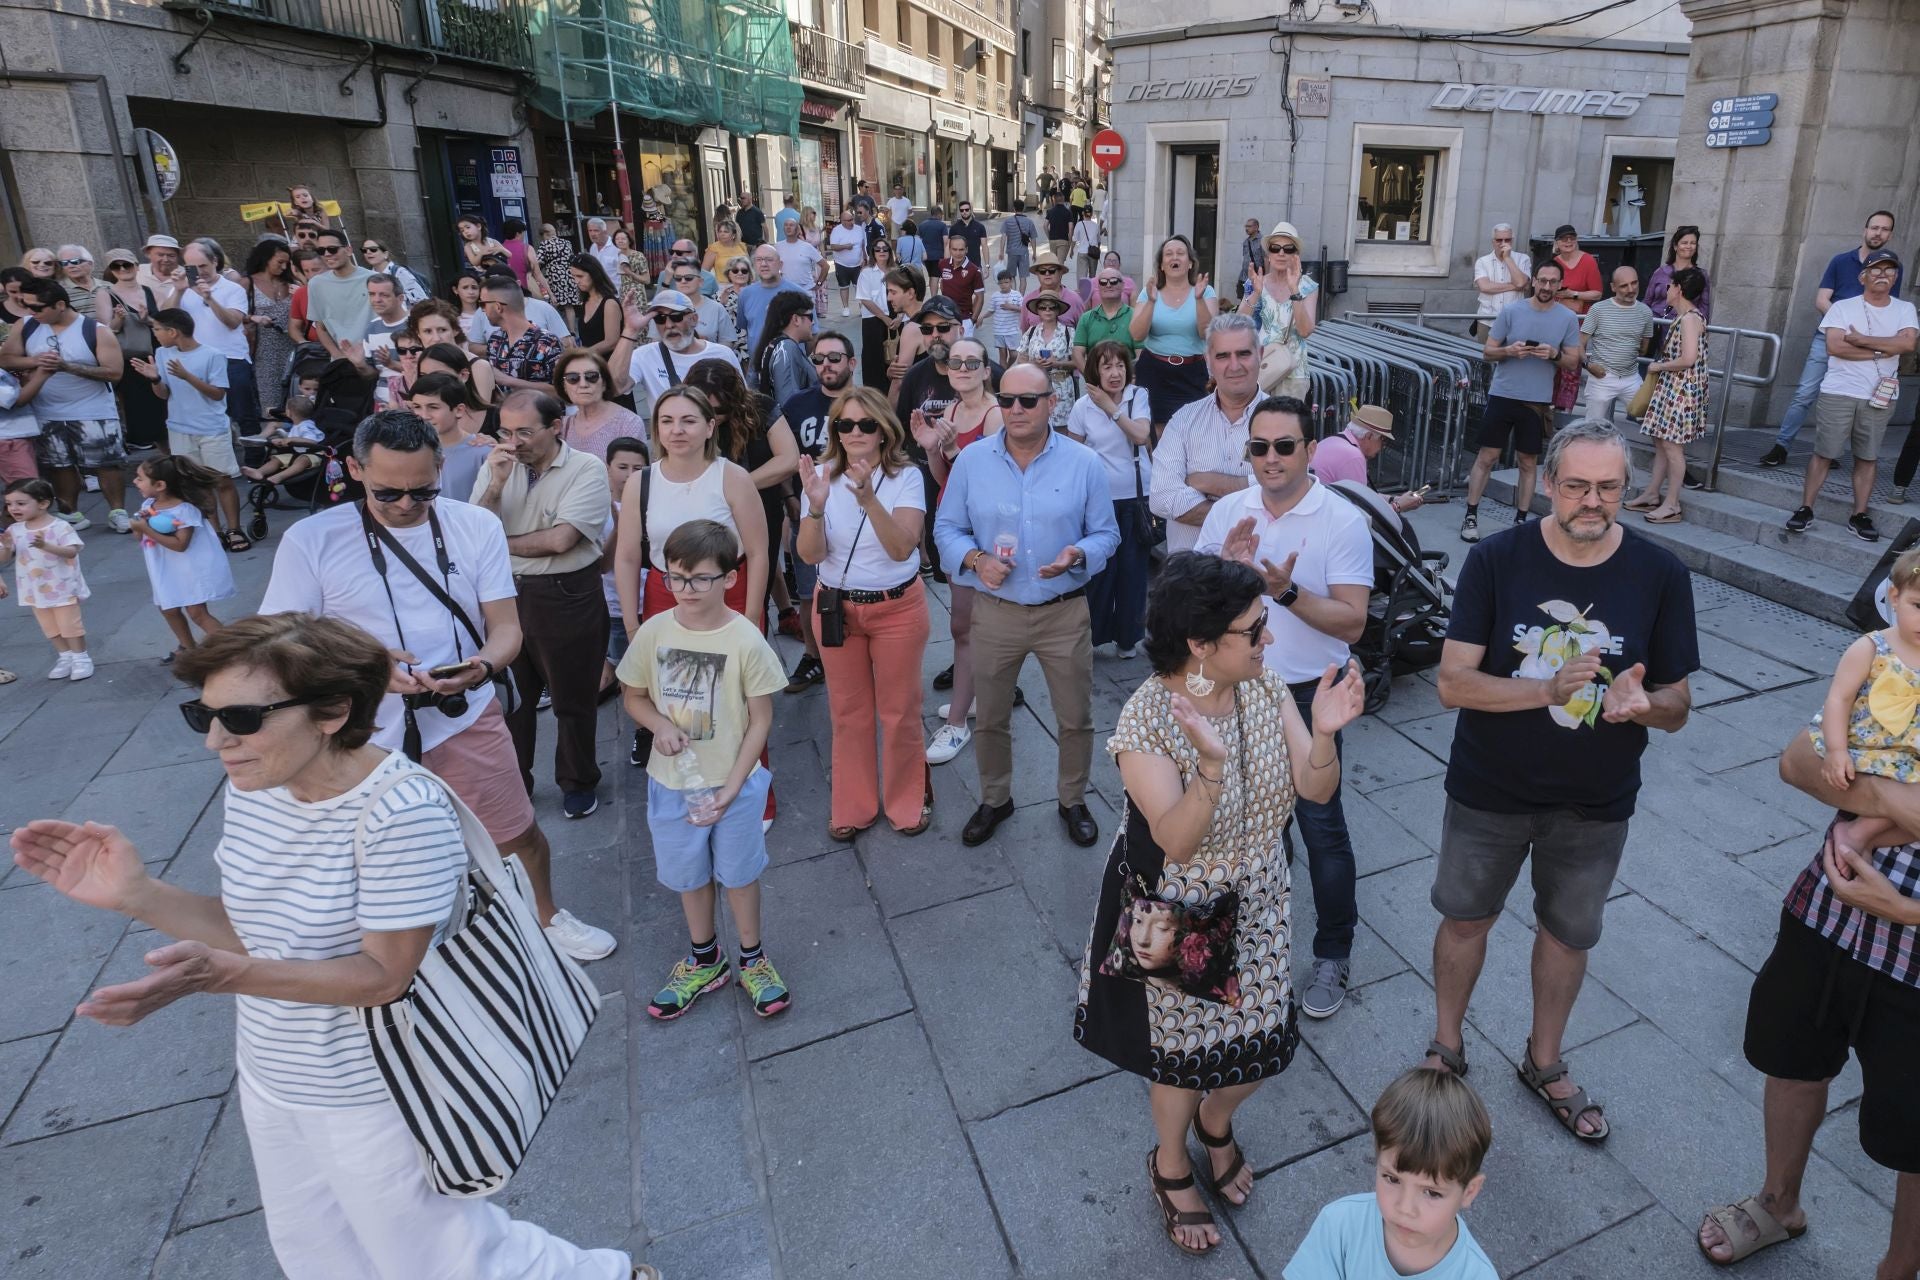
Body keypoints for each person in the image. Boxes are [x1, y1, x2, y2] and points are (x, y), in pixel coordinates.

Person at [7, 612, 639, 1276]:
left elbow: (381, 977)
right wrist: (138, 894)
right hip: (274, 1071)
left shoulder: (400, 813)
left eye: (242, 719)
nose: (216, 741)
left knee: (448, 1263)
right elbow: (254, 934)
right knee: (318, 1257)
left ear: (333, 712)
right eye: (205, 716)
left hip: (376, 1087)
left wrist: (221, 977)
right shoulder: (258, 785)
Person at [1073, 551, 1361, 1256]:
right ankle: (1171, 1164)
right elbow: (1174, 836)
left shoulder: (1261, 688)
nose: (1270, 641)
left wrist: (1323, 733)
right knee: (1181, 1057)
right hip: (1179, 904)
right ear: (1201, 644)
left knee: (1263, 1049)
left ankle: (1216, 1123)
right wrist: (1208, 765)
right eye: (1255, 630)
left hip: (1260, 890)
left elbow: (1315, 790)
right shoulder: (1146, 721)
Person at [1425, 420, 1696, 1140]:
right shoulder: (1495, 559)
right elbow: (1454, 684)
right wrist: (1546, 692)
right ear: (1548, 483)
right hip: (1490, 787)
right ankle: (1446, 1047)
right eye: (1576, 485)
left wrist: (1648, 706)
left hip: (1596, 802)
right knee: (1464, 919)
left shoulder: (1661, 574)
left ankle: (1544, 1062)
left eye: (1609, 487)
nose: (1591, 500)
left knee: (1569, 936)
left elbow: (1678, 704)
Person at [1726, 569, 1920, 1275]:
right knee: (1793, 1056)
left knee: (1915, 1131)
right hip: (1828, 912)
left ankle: (1901, 1267)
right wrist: (1908, 802)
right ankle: (1780, 1202)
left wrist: (1907, 909)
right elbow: (1799, 762)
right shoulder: (1893, 661)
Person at [1196, 394, 1374, 1019]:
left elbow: (1352, 624)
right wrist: (1228, 574)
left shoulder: (1341, 521)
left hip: (1308, 692)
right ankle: (1254, 936)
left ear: (1309, 448)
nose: (1270, 459)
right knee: (1250, 827)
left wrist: (1286, 591)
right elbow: (1195, 610)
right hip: (1238, 688)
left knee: (1321, 825)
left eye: (1284, 446)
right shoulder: (1228, 512)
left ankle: (1333, 952)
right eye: (1259, 447)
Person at [933, 362, 1120, 848]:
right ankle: (995, 798)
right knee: (991, 715)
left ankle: (1072, 798)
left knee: (1075, 716)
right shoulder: (972, 461)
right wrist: (975, 560)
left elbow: (1107, 533)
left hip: (1064, 611)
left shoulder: (1083, 463)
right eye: (1007, 399)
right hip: (996, 612)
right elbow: (946, 528)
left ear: (1051, 403)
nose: (1015, 409)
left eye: (1028, 400)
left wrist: (1079, 554)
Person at [620, 519, 789, 1020]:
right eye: (675, 577)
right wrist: (657, 725)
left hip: (733, 784)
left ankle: (753, 958)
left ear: (729, 579)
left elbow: (761, 721)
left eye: (699, 578)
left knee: (739, 875)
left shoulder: (745, 639)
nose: (685, 589)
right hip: (672, 784)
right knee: (689, 876)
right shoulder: (654, 632)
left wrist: (734, 788)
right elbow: (634, 697)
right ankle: (705, 958)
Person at [471, 391, 614, 820]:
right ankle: (517, 782)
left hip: (566, 593)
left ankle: (578, 780)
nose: (513, 442)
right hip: (504, 594)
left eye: (525, 432)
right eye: (506, 431)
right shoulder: (496, 464)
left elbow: (561, 540)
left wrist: (500, 544)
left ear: (555, 427)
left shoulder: (586, 468)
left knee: (573, 696)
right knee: (512, 699)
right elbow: (477, 529)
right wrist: (495, 486)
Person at [795, 387, 931, 838]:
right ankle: (853, 805)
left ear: (882, 430)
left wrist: (869, 498)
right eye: (844, 424)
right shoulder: (818, 476)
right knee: (848, 713)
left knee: (900, 711)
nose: (854, 432)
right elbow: (811, 555)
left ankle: (906, 801)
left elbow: (901, 547)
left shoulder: (905, 477)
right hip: (838, 609)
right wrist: (814, 508)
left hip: (896, 609)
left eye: (865, 424)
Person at [614, 386, 770, 766]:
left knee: (738, 698)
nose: (676, 430)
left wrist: (750, 620)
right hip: (666, 595)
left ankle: (751, 793)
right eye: (666, 421)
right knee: (678, 699)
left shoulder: (731, 477)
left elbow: (759, 550)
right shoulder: (642, 482)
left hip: (728, 595)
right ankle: (690, 783)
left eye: (688, 420)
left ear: (710, 426)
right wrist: (633, 624)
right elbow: (628, 555)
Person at [1285, 1070, 1496, 1279]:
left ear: (1469, 1192)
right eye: (1392, 1179)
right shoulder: (1340, 1225)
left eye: (1432, 1192)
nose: (1405, 1208)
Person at [1785, 249, 1917, 543]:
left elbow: (1908, 345)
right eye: (1876, 269)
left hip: (1880, 396)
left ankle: (1859, 515)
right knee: (1823, 453)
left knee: (1867, 457)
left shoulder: (1905, 309)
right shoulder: (1842, 307)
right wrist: (1886, 347)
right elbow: (1836, 347)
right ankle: (1805, 508)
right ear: (1863, 276)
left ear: (1895, 276)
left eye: (1889, 270)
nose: (1883, 275)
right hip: (1839, 391)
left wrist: (1862, 340)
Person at [912, 335, 1001, 763]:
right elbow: (942, 475)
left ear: (987, 370)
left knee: (966, 627)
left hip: (980, 537)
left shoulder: (995, 415)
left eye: (972, 361)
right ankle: (976, 699)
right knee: (970, 627)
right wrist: (934, 449)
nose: (962, 367)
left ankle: (958, 724)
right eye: (955, 361)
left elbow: (987, 482)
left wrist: (947, 447)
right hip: (955, 527)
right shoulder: (949, 411)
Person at [1762, 211, 1900, 468]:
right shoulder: (1841, 261)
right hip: (1827, 339)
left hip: (1864, 346)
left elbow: (1891, 307)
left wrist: (1867, 339)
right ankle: (1781, 446)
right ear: (1865, 229)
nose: (1878, 233)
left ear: (1890, 235)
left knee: (1848, 398)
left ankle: (1830, 453)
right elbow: (1821, 300)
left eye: (1884, 229)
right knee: (1805, 393)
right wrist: (1847, 328)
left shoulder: (1893, 268)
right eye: (1874, 227)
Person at [1459, 259, 1581, 543]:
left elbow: (1573, 362)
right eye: (1542, 280)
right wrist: (1509, 351)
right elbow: (1488, 352)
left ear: (1560, 285)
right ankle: (1471, 514)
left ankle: (1521, 521)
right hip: (1503, 394)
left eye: (1553, 282)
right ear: (1534, 281)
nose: (1547, 286)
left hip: (1537, 401)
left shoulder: (1566, 318)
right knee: (1486, 457)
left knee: (1528, 462)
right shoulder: (1512, 311)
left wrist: (1554, 355)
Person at [2, 276, 131, 532]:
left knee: (106, 463)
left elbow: (114, 372)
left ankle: (118, 511)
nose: (31, 312)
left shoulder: (95, 330)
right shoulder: (25, 325)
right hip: (46, 410)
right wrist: (37, 362)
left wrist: (67, 367)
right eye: (27, 306)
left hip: (93, 408)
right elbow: (6, 359)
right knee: (58, 464)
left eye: (37, 307)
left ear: (60, 305)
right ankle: (70, 513)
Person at [774, 330, 854, 691]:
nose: (826, 365)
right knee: (809, 591)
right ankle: (812, 655)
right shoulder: (796, 405)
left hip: (857, 511)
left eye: (834, 358)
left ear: (852, 363)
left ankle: (856, 652)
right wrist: (790, 501)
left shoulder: (868, 403)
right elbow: (784, 460)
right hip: (809, 511)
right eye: (819, 359)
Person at [1064, 340, 1152, 657]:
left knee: (1132, 573)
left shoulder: (1136, 397)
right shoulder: (1081, 406)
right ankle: (1094, 636)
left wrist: (1111, 408)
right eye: (1106, 366)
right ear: (1094, 372)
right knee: (1099, 573)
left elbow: (1141, 435)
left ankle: (1128, 638)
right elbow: (1072, 456)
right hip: (1098, 503)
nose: (1115, 373)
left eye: (1119, 365)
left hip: (1134, 499)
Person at [130, 308, 246, 547]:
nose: (155, 334)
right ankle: (215, 532)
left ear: (173, 332)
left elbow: (217, 394)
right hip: (180, 428)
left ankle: (235, 529)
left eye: (158, 329)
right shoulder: (162, 353)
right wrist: (154, 378)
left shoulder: (212, 355)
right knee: (196, 484)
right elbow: (163, 394)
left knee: (221, 480)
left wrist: (187, 376)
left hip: (211, 427)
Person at [1149, 313, 1261, 553]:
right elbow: (1161, 497)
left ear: (1259, 354)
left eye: (1243, 353)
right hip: (1191, 581)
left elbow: (1290, 492)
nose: (1234, 365)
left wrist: (1208, 482)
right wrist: (1252, 499)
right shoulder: (1183, 421)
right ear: (1208, 361)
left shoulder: (1285, 421)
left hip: (1258, 581)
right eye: (1222, 356)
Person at [127, 453, 234, 656]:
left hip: (190, 569)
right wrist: (139, 528)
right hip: (165, 568)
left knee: (197, 613)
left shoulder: (184, 510)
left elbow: (180, 545)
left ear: (160, 485)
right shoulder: (148, 506)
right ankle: (188, 647)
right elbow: (140, 540)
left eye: (140, 478)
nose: (134, 481)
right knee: (168, 608)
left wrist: (147, 529)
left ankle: (235, 650)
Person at [1627, 267, 1710, 525]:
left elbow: (1688, 359)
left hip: (1681, 391)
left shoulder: (1689, 319)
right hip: (1675, 388)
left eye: (1671, 285)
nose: (1667, 290)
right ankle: (1653, 493)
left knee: (1673, 448)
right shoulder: (1687, 317)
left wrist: (1659, 366)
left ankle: (1672, 503)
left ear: (1679, 289)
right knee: (1662, 443)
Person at [2, 477, 91, 679]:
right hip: (33, 588)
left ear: (43, 503)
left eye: (20, 503)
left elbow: (71, 551)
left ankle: (81, 658)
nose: (13, 508)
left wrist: (46, 546)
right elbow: (3, 558)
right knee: (49, 626)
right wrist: (7, 547)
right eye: (9, 504)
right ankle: (65, 656)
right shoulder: (15, 530)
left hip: (63, 585)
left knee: (70, 624)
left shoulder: (59, 527)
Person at [1129, 235, 1217, 430]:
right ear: (1161, 265)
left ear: (1190, 263)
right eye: (1168, 254)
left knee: (1194, 431)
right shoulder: (1149, 292)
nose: (1174, 257)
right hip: (1154, 371)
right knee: (1156, 434)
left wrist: (1199, 299)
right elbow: (1136, 335)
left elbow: (1207, 334)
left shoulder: (1206, 291)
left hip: (1192, 373)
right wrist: (1151, 302)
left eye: (1180, 253)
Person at [178, 240, 260, 439]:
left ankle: (256, 463)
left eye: (203, 265)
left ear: (215, 261)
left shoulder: (233, 289)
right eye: (192, 268)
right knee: (207, 417)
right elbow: (166, 319)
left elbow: (232, 322)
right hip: (196, 361)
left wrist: (209, 298)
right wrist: (179, 290)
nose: (199, 272)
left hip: (231, 359)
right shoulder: (181, 289)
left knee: (244, 414)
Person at [616, 289, 742, 415]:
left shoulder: (723, 354)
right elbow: (616, 387)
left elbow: (742, 401)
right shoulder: (645, 356)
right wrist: (630, 330)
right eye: (660, 318)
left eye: (676, 316)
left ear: (694, 319)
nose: (669, 325)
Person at [96, 247, 168, 450]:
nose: (122, 269)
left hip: (157, 353)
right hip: (131, 359)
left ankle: (173, 458)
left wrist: (147, 320)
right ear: (111, 270)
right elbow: (105, 330)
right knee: (146, 412)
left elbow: (167, 324)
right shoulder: (105, 293)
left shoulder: (151, 291)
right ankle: (163, 458)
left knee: (166, 408)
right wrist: (118, 320)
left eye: (126, 264)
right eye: (116, 266)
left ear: (136, 267)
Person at [1237, 221, 1318, 401]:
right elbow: (1238, 325)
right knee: (1254, 426)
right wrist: (1256, 293)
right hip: (1261, 366)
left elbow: (1305, 331)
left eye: (1288, 249)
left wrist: (1294, 290)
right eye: (1275, 248)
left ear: (1295, 254)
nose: (1281, 253)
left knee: (1287, 428)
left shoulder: (1308, 287)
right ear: (1269, 254)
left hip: (1293, 372)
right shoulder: (1256, 282)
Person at [1308, 404, 1424, 515]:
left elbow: (1364, 496)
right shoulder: (1353, 456)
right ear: (1368, 436)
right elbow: (1363, 513)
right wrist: (1398, 506)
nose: (1383, 447)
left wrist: (1393, 499)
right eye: (1383, 440)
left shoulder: (1336, 440)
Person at [1578, 266, 1656, 428]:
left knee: (1651, 424)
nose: (1631, 289)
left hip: (1631, 378)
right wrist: (1587, 365)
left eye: (1634, 283)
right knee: (1592, 429)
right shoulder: (1598, 309)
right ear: (1613, 287)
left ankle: (1661, 453)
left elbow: (1644, 347)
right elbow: (1580, 343)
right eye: (1624, 285)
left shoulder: (1645, 312)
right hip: (1602, 377)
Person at [552, 347, 645, 462]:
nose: (583, 384)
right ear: (564, 386)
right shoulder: (563, 426)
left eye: (591, 376)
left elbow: (634, 475)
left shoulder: (628, 423)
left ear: (604, 383)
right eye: (573, 378)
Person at [406, 371, 492, 496]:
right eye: (417, 407)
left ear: (458, 410)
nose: (424, 416)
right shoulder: (407, 450)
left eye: (433, 407)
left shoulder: (483, 452)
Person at [241, 240, 297, 415]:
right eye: (279, 262)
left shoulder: (290, 283)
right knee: (269, 395)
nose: (284, 266)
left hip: (291, 345)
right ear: (265, 259)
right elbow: (235, 315)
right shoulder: (247, 283)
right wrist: (253, 318)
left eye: (287, 263)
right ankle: (272, 431)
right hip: (263, 348)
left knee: (294, 394)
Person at [481, 280, 566, 392]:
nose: (482, 309)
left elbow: (563, 392)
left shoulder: (548, 341)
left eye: (483, 304)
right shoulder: (494, 340)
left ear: (498, 307)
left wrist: (508, 381)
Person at [302, 228, 374, 357]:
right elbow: (320, 326)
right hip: (341, 361)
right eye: (321, 251)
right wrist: (337, 356)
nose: (327, 254)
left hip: (374, 356)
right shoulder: (316, 284)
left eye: (332, 249)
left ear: (348, 250)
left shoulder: (373, 279)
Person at [736, 244, 807, 361]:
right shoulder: (745, 294)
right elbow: (745, 327)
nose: (764, 264)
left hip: (790, 366)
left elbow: (811, 335)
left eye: (769, 259)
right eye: (759, 260)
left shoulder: (799, 294)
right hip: (757, 367)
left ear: (780, 264)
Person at [750, 290, 818, 410]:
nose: (812, 323)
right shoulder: (786, 349)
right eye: (810, 316)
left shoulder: (775, 345)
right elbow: (789, 403)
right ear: (796, 319)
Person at [659, 258, 737, 348]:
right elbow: (655, 342)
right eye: (678, 278)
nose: (683, 281)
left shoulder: (716, 308)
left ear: (700, 282)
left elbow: (728, 341)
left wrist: (709, 351)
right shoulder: (665, 309)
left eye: (688, 277)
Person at [1471, 224, 1532, 337]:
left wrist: (1507, 258)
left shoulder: (1523, 259)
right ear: (1493, 241)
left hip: (1514, 320)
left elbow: (1520, 282)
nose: (1503, 243)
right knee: (1484, 353)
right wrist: (1514, 286)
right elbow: (1485, 287)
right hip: (1487, 319)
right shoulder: (1482, 261)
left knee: (1513, 353)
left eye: (1507, 240)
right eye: (1499, 240)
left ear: (1512, 240)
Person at [1645, 223, 1711, 325]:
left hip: (1682, 329)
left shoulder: (1700, 275)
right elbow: (1647, 302)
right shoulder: (1660, 272)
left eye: (1693, 243)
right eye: (1684, 243)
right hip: (1655, 328)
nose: (1689, 246)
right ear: (1675, 246)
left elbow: (1704, 308)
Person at [1072, 268, 1137, 371]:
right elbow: (1077, 353)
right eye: (1103, 282)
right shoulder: (1086, 318)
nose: (1108, 285)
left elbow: (1141, 354)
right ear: (1098, 286)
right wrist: (1090, 377)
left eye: (1113, 281)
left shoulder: (1135, 316)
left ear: (1123, 285)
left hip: (1128, 382)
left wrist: (1129, 378)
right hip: (1096, 383)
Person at [856, 239, 899, 388]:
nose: (882, 252)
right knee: (873, 357)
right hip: (873, 320)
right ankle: (874, 393)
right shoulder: (866, 273)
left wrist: (899, 317)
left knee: (896, 356)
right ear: (873, 252)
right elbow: (865, 299)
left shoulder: (897, 271)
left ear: (890, 252)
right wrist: (883, 317)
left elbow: (906, 295)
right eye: (878, 249)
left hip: (895, 319)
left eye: (885, 249)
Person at [565, 254, 623, 362]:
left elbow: (611, 342)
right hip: (591, 364)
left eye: (580, 276)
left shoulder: (609, 303)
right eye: (574, 277)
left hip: (610, 365)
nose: (576, 281)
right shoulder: (585, 301)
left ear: (593, 274)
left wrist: (580, 355)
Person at [1019, 248, 1086, 330]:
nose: (1047, 274)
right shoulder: (1028, 300)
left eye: (1052, 270)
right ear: (1037, 274)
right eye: (1042, 271)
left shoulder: (1075, 300)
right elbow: (1025, 333)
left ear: (1060, 272)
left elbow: (1083, 332)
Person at [935, 234, 985, 333]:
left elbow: (980, 297)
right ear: (949, 249)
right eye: (954, 249)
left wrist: (973, 320)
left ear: (966, 250)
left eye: (961, 250)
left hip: (965, 320)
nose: (958, 253)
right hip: (945, 318)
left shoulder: (974, 270)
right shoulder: (942, 264)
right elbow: (943, 284)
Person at [360, 237, 431, 306]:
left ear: (385, 254)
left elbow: (421, 299)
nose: (368, 252)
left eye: (373, 249)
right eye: (364, 250)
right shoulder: (368, 276)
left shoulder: (400, 272)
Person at [535, 223, 580, 330]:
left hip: (555, 277)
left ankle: (558, 330)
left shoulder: (545, 244)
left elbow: (537, 263)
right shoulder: (567, 243)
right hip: (569, 277)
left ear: (544, 234)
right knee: (569, 306)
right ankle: (572, 332)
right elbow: (571, 258)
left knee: (554, 305)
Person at [827, 206, 866, 319]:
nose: (851, 222)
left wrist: (864, 258)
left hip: (858, 264)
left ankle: (862, 307)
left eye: (852, 219)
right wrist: (845, 247)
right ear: (842, 221)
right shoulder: (837, 230)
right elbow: (833, 246)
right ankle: (845, 307)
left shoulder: (859, 229)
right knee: (843, 286)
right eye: (848, 220)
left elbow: (863, 245)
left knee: (859, 287)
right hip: (841, 263)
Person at [776, 215, 826, 301]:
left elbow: (825, 266)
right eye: (786, 225)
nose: (788, 227)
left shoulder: (807, 247)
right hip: (786, 291)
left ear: (797, 229)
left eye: (791, 225)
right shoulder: (777, 247)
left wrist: (819, 283)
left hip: (806, 291)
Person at [987, 269, 1024, 367]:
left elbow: (1023, 309)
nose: (1003, 285)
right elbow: (991, 310)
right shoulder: (995, 296)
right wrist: (981, 317)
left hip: (1012, 330)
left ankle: (1006, 368)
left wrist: (1011, 307)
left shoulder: (1017, 295)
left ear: (1011, 281)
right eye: (1001, 283)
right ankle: (1003, 375)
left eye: (1006, 282)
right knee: (1002, 355)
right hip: (999, 330)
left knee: (1014, 354)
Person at [1004, 199, 1038, 290]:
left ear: (1014, 208)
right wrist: (1034, 253)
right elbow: (1033, 238)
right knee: (1023, 278)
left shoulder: (1007, 221)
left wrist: (1001, 251)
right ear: (1023, 208)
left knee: (1011, 276)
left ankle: (1014, 297)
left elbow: (1003, 237)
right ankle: (1021, 299)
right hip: (1024, 253)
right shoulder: (1029, 222)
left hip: (1012, 252)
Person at [56, 246, 96, 317]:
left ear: (90, 263)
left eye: (75, 261)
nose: (70, 266)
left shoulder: (107, 286)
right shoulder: (58, 290)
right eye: (64, 263)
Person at [583, 217, 623, 284]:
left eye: (596, 230)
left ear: (604, 231)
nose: (592, 234)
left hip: (616, 291)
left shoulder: (617, 247)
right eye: (590, 231)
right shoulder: (593, 247)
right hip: (600, 290)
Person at [950, 199, 986, 268]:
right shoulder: (954, 228)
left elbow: (984, 246)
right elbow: (948, 246)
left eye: (966, 209)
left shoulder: (980, 227)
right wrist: (947, 265)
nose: (964, 212)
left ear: (970, 210)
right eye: (962, 210)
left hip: (976, 265)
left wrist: (987, 265)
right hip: (958, 266)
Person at [1045, 191, 1075, 266]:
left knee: (1053, 263)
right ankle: (1057, 278)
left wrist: (1049, 237)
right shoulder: (1068, 212)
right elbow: (1071, 228)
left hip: (1052, 240)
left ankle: (1054, 277)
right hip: (1063, 240)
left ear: (1054, 199)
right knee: (1060, 265)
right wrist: (1070, 241)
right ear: (1063, 199)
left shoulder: (1050, 211)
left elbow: (1045, 226)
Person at [1236, 217, 1263, 299]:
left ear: (1256, 227)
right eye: (1246, 226)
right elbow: (1245, 260)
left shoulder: (1262, 241)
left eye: (1249, 226)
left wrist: (1265, 278)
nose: (1246, 228)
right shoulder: (1246, 241)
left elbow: (1266, 259)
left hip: (1255, 278)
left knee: (1254, 302)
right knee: (1242, 300)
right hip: (1243, 277)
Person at [1073, 206, 1103, 278]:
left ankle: (1082, 289)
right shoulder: (1096, 226)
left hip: (1082, 252)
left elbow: (1074, 239)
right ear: (1092, 213)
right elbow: (1099, 240)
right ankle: (1091, 288)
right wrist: (1098, 249)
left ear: (1083, 213)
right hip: (1093, 253)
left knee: (1082, 275)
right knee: (1092, 276)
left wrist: (1071, 250)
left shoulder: (1079, 224)